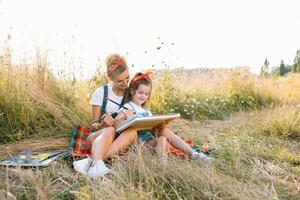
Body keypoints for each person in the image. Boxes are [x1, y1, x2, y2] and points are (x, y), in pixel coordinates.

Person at [117, 72, 212, 162]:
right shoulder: (128, 107)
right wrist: (124, 117)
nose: (143, 96)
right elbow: (119, 126)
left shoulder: (147, 111)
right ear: (133, 91)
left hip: (148, 143)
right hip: (136, 146)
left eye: (146, 94)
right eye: (140, 93)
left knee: (163, 137)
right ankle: (193, 154)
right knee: (163, 133)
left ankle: (186, 157)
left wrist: (160, 124)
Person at [73, 54, 138, 179]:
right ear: (111, 79)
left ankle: (92, 162)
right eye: (120, 81)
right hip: (99, 137)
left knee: (133, 132)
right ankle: (97, 164)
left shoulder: (131, 93)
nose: (125, 83)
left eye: (127, 78)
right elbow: (94, 125)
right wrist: (103, 124)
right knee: (110, 129)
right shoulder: (101, 92)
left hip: (118, 140)